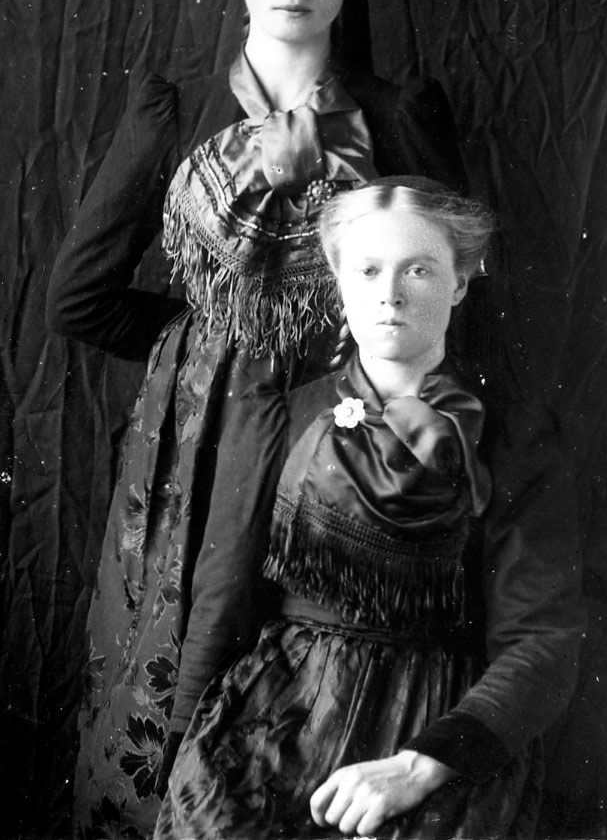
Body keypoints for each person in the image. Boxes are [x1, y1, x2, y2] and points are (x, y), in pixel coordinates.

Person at [45, 0, 466, 837]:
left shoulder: (397, 118)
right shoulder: (180, 109)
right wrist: (208, 349)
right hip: (197, 455)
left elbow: (462, 298)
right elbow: (79, 297)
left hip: (345, 451)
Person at [154, 177, 585, 840]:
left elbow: (542, 638)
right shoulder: (282, 416)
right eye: (368, 270)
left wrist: (422, 766)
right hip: (275, 718)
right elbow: (223, 599)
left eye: (419, 269)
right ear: (337, 280)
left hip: (436, 726)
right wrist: (185, 742)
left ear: (461, 282)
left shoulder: (514, 434)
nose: (390, 294)